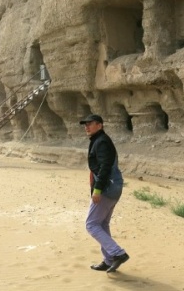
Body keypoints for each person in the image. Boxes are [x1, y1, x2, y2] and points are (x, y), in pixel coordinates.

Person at [79, 114, 129, 273]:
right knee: (102, 224)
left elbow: (105, 167)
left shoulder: (101, 142)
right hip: (113, 186)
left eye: (90, 124)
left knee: (91, 224)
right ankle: (108, 260)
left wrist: (97, 190)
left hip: (107, 187)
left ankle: (118, 253)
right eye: (85, 124)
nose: (86, 127)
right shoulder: (99, 140)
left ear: (100, 125)